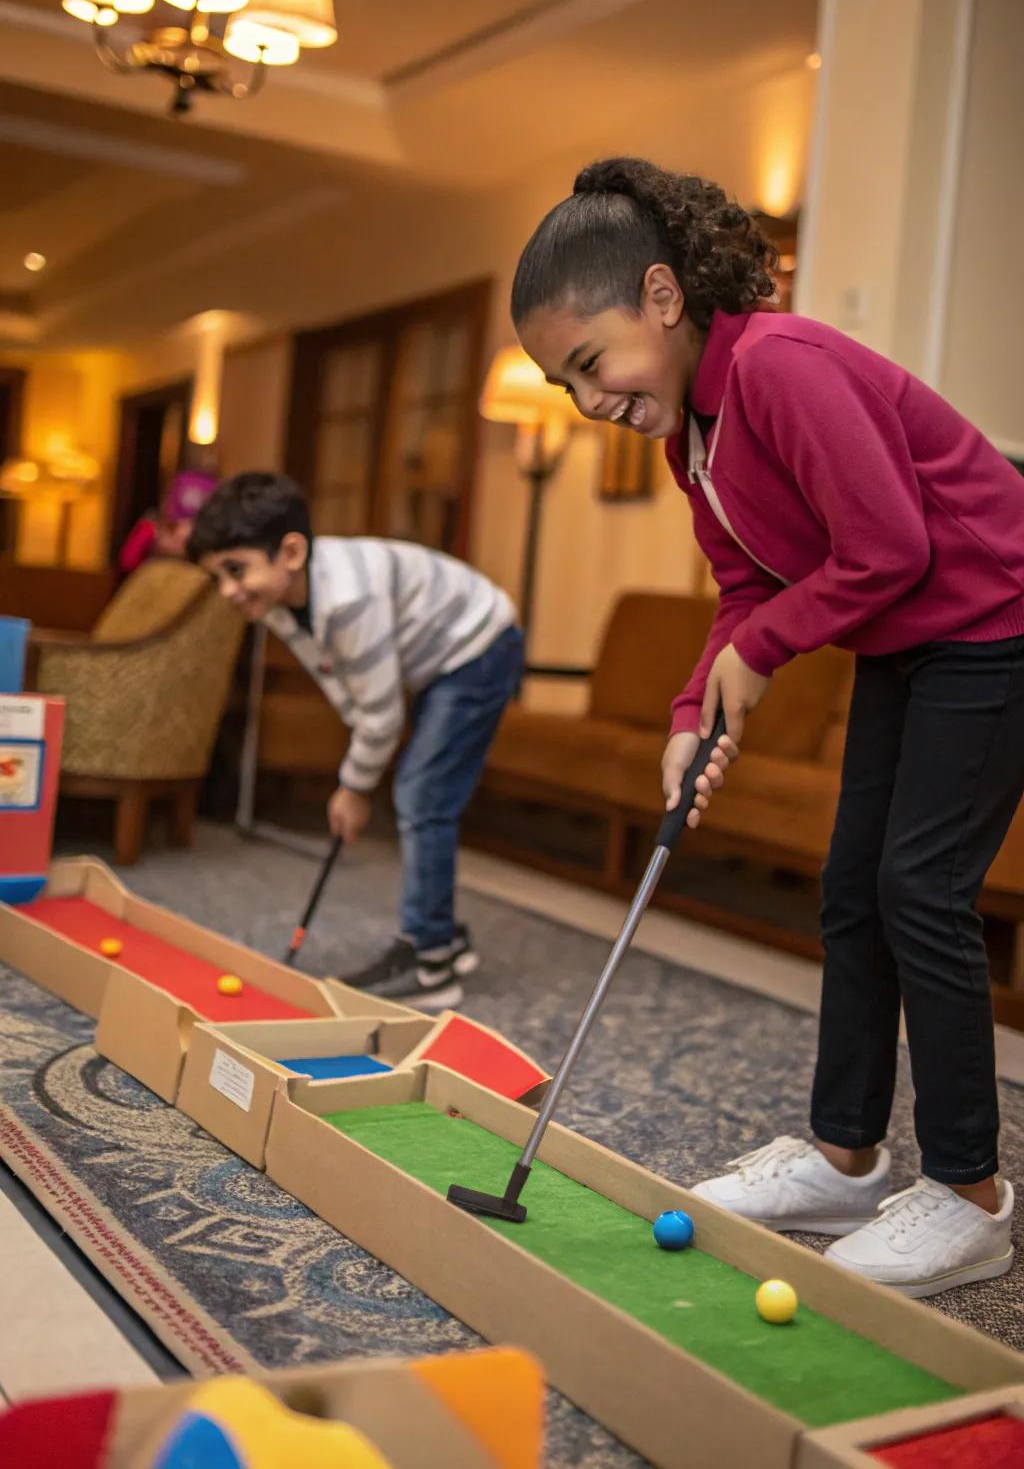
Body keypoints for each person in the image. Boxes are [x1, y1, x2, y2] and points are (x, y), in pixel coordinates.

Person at [511, 156, 1024, 1299]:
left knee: (921, 892)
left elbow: (891, 548)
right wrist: (695, 712)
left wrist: (761, 652)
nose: (590, 401)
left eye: (590, 364)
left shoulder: (779, 365)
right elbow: (744, 594)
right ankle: (846, 1158)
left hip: (998, 619)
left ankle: (971, 1198)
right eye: (565, 386)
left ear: (659, 295)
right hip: (910, 641)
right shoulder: (686, 438)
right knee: (852, 887)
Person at [187, 472, 522, 1010]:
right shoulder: (279, 601)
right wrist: (359, 769)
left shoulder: (348, 601)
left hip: (477, 643)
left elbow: (382, 714)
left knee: (423, 795)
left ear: (290, 551)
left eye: (235, 570)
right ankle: (445, 937)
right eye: (217, 578)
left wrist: (354, 786)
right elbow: (339, 680)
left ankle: (432, 960)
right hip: (432, 655)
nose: (228, 591)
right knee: (419, 789)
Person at [119, 469, 218, 575]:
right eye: (172, 528)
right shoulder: (151, 530)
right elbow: (127, 563)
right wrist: (147, 532)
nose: (182, 534)